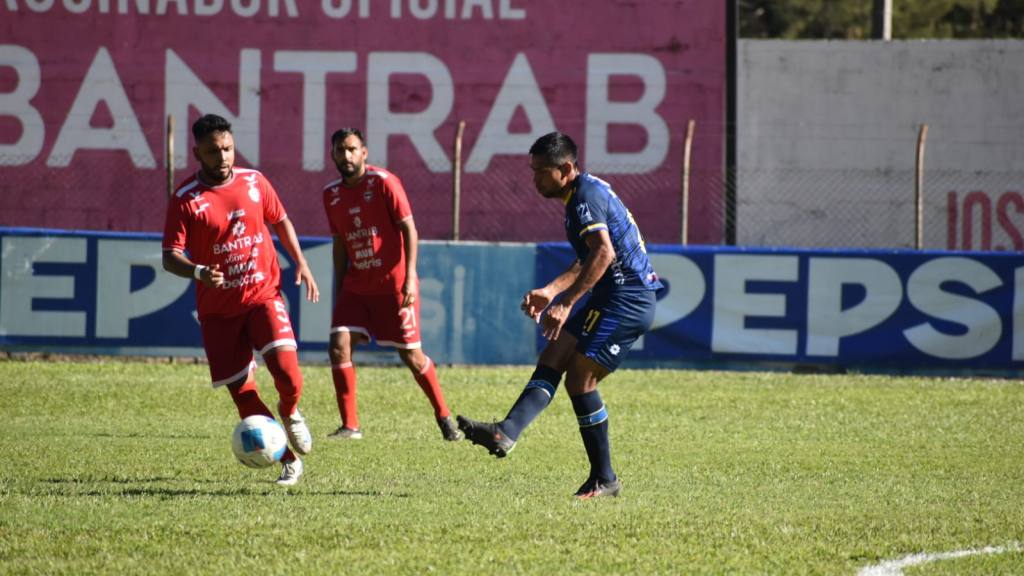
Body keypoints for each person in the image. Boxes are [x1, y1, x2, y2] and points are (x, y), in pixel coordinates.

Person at [458, 132, 662, 499]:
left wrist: (566, 303)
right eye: (533, 170)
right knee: (553, 354)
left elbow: (604, 254)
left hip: (628, 299)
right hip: (610, 296)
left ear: (566, 169)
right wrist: (551, 291)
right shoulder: (581, 195)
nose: (534, 179)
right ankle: (507, 431)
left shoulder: (585, 198)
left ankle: (605, 479)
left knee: (581, 380)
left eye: (541, 172)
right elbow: (588, 257)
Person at [162, 113, 320, 486]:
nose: (224, 157)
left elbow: (280, 220)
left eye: (228, 148)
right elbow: (170, 256)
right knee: (244, 394)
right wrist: (198, 271)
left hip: (263, 295)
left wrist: (301, 262)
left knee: (287, 373)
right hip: (218, 312)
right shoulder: (186, 200)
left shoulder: (254, 181)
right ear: (197, 152)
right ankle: (289, 460)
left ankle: (291, 409)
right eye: (214, 151)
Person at [322, 128, 462, 442]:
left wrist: (410, 277)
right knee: (338, 346)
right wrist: (340, 285)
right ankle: (350, 426)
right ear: (332, 155)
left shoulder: (384, 182)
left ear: (364, 152)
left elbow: (409, 230)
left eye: (352, 149)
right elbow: (340, 243)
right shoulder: (330, 194)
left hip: (393, 285)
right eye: (340, 151)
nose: (346, 156)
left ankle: (443, 415)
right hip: (356, 287)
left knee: (411, 357)